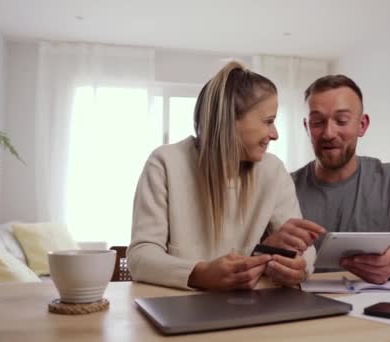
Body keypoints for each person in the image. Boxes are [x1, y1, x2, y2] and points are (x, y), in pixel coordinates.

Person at [127, 61, 324, 290]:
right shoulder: (165, 164)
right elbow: (141, 257)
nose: (275, 134)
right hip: (179, 308)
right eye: (268, 121)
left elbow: (305, 250)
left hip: (251, 308)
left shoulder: (273, 171)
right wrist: (200, 274)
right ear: (230, 120)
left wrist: (301, 266)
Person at [271, 74, 390, 284]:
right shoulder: (283, 188)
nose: (329, 133)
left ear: (362, 125)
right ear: (306, 127)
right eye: (317, 122)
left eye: (341, 121)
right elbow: (255, 258)